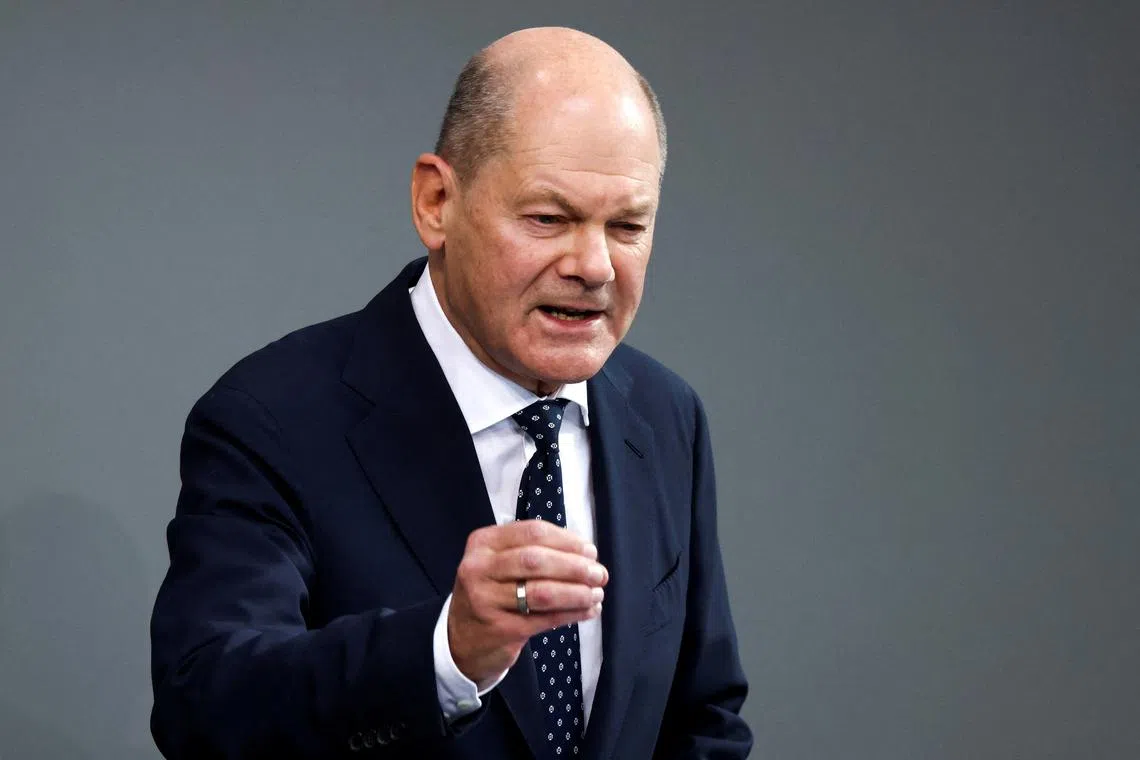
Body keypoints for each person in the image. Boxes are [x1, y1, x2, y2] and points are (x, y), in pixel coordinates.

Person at [150, 26, 751, 759]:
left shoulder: (665, 415)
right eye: (549, 218)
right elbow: (206, 706)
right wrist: (446, 651)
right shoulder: (272, 418)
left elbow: (704, 715)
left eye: (627, 226)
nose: (594, 266)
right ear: (436, 201)